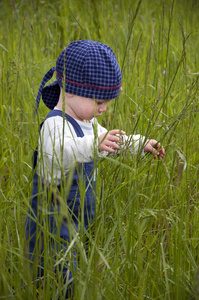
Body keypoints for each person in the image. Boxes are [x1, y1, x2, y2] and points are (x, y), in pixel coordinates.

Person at [25, 40, 165, 297]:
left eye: (106, 102)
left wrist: (140, 143)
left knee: (78, 260)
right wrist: (93, 144)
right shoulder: (54, 125)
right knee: (58, 266)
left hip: (81, 215)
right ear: (69, 90)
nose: (103, 109)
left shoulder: (88, 122)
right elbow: (61, 154)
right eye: (99, 101)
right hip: (54, 217)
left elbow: (111, 143)